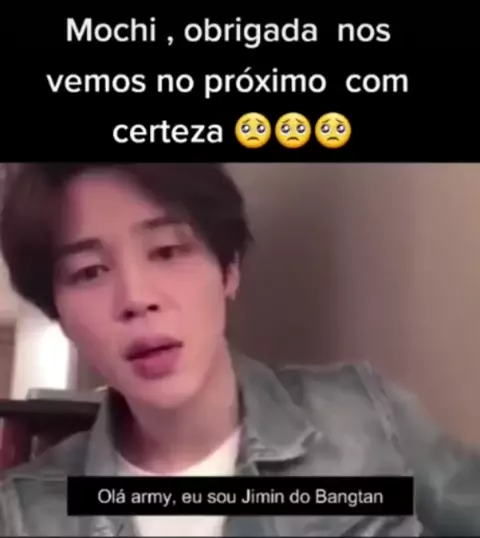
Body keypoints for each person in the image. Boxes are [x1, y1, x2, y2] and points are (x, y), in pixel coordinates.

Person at [0, 162, 478, 536]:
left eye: (167, 251)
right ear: (59, 314)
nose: (136, 298)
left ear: (228, 269)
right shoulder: (27, 515)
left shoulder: (366, 418)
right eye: (88, 272)